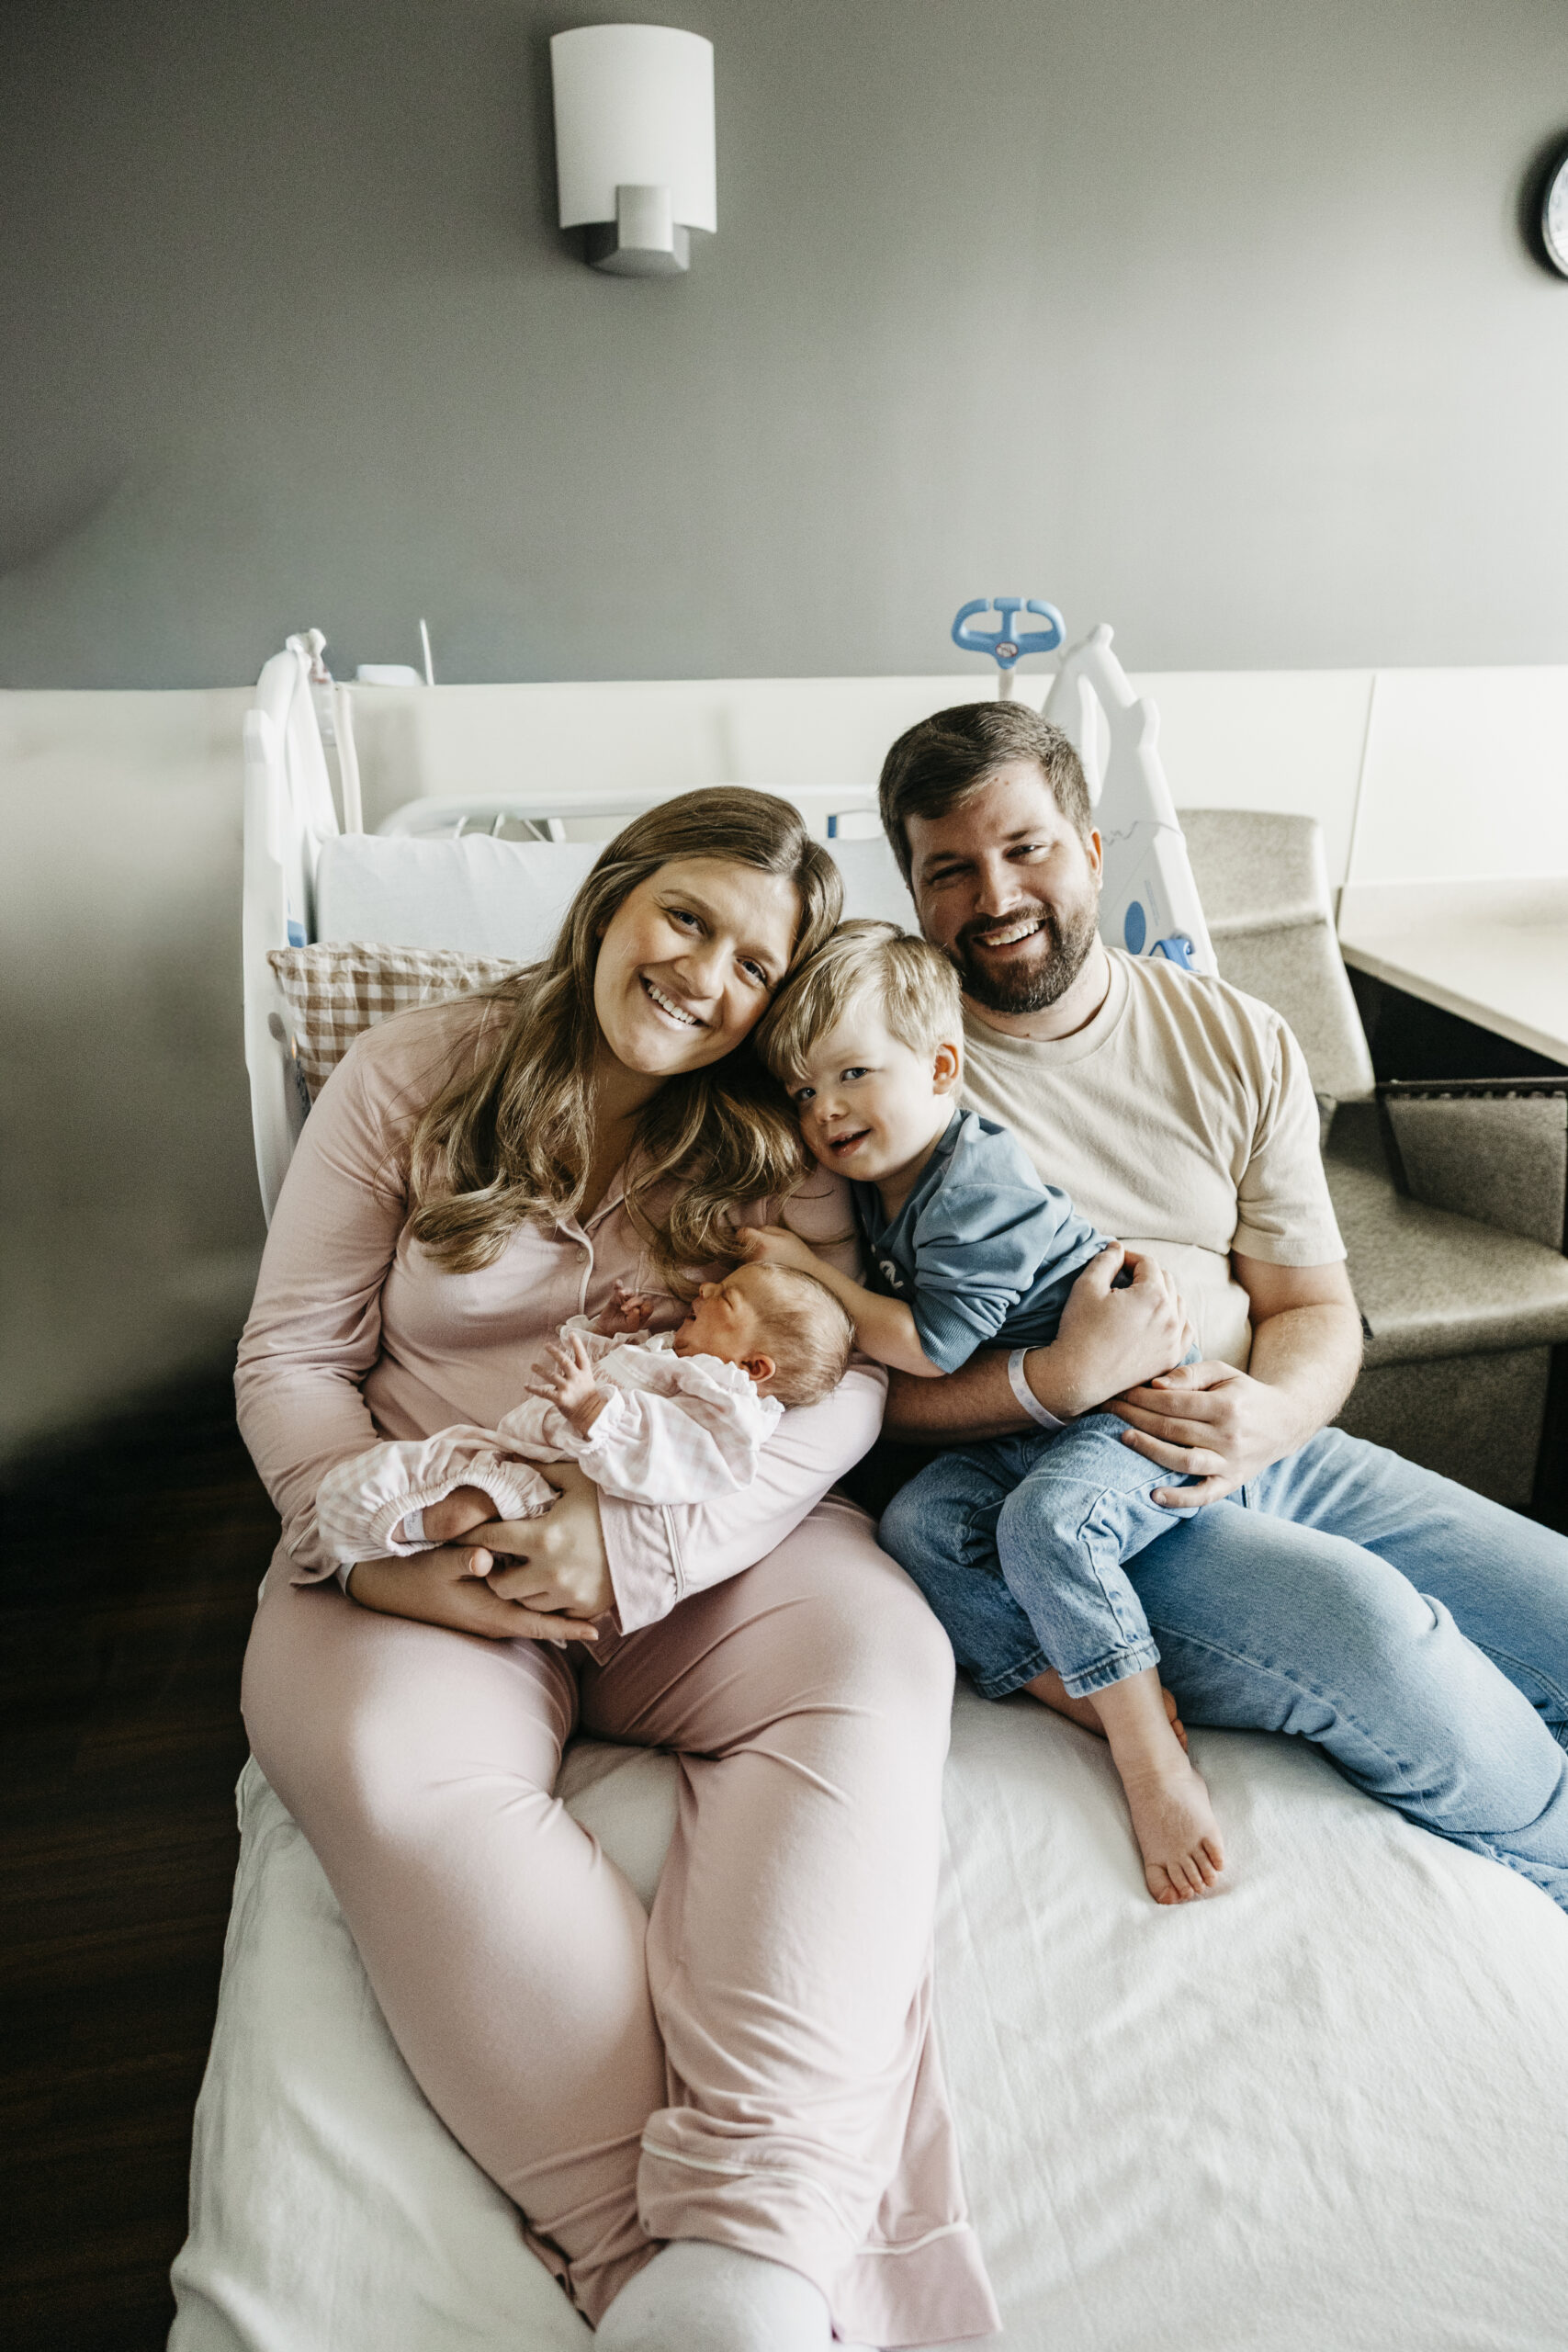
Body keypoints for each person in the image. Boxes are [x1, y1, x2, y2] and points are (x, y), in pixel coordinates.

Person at [235, 789, 1004, 2352]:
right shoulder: (413, 1076)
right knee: (378, 1762)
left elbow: (843, 1379)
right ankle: (651, 2267)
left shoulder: (776, 1134)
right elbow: (291, 1356)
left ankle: (753, 2240)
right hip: (437, 1534)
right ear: (613, 896)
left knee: (876, 1660)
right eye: (686, 919)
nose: (704, 978)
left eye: (752, 964)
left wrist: (635, 1548)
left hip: (696, 1538)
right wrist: (366, 1560)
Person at [866, 699, 1568, 1913]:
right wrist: (1050, 1383)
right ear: (914, 893)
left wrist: (1270, 1418)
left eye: (1025, 848)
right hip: (1072, 1500)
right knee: (1379, 1633)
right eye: (950, 870)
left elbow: (1312, 1308)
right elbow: (851, 1397)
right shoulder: (877, 1087)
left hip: (1267, 1444)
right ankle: (1550, 1850)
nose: (995, 896)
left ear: (1093, 852)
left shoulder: (1232, 1035)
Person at [742, 920, 1223, 1905]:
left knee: (1050, 1526)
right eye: (803, 1091)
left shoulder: (974, 1184)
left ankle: (1147, 1754)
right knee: (918, 1527)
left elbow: (930, 1348)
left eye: (853, 1074)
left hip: (1129, 1405)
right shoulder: (878, 1182)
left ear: (940, 1067)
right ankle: (1064, 1682)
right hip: (1025, 1425)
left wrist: (807, 1275)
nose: (825, 1110)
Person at [315, 1263, 855, 1570]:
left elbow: (675, 1458)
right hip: (518, 1450)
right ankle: (387, 1535)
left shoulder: (726, 1408)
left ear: (754, 1366)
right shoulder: (679, 1357)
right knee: (390, 1473)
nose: (705, 1288)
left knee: (470, 1495)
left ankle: (424, 1531)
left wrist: (593, 1409)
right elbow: (613, 1374)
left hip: (553, 1485)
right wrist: (605, 1331)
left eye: (727, 1298)